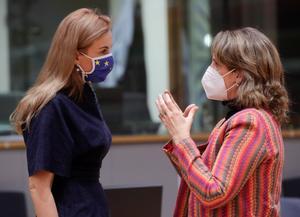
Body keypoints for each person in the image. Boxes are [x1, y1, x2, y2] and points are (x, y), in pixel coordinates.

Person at [156, 27, 289, 217]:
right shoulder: (239, 119)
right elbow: (200, 180)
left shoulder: (250, 121)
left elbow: (213, 192)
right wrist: (179, 138)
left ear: (239, 74)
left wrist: (183, 139)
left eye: (216, 63)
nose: (210, 69)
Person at [10, 8, 113, 217]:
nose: (109, 58)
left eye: (110, 50)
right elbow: (39, 188)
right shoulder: (52, 106)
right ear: (76, 55)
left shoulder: (85, 95)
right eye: (102, 51)